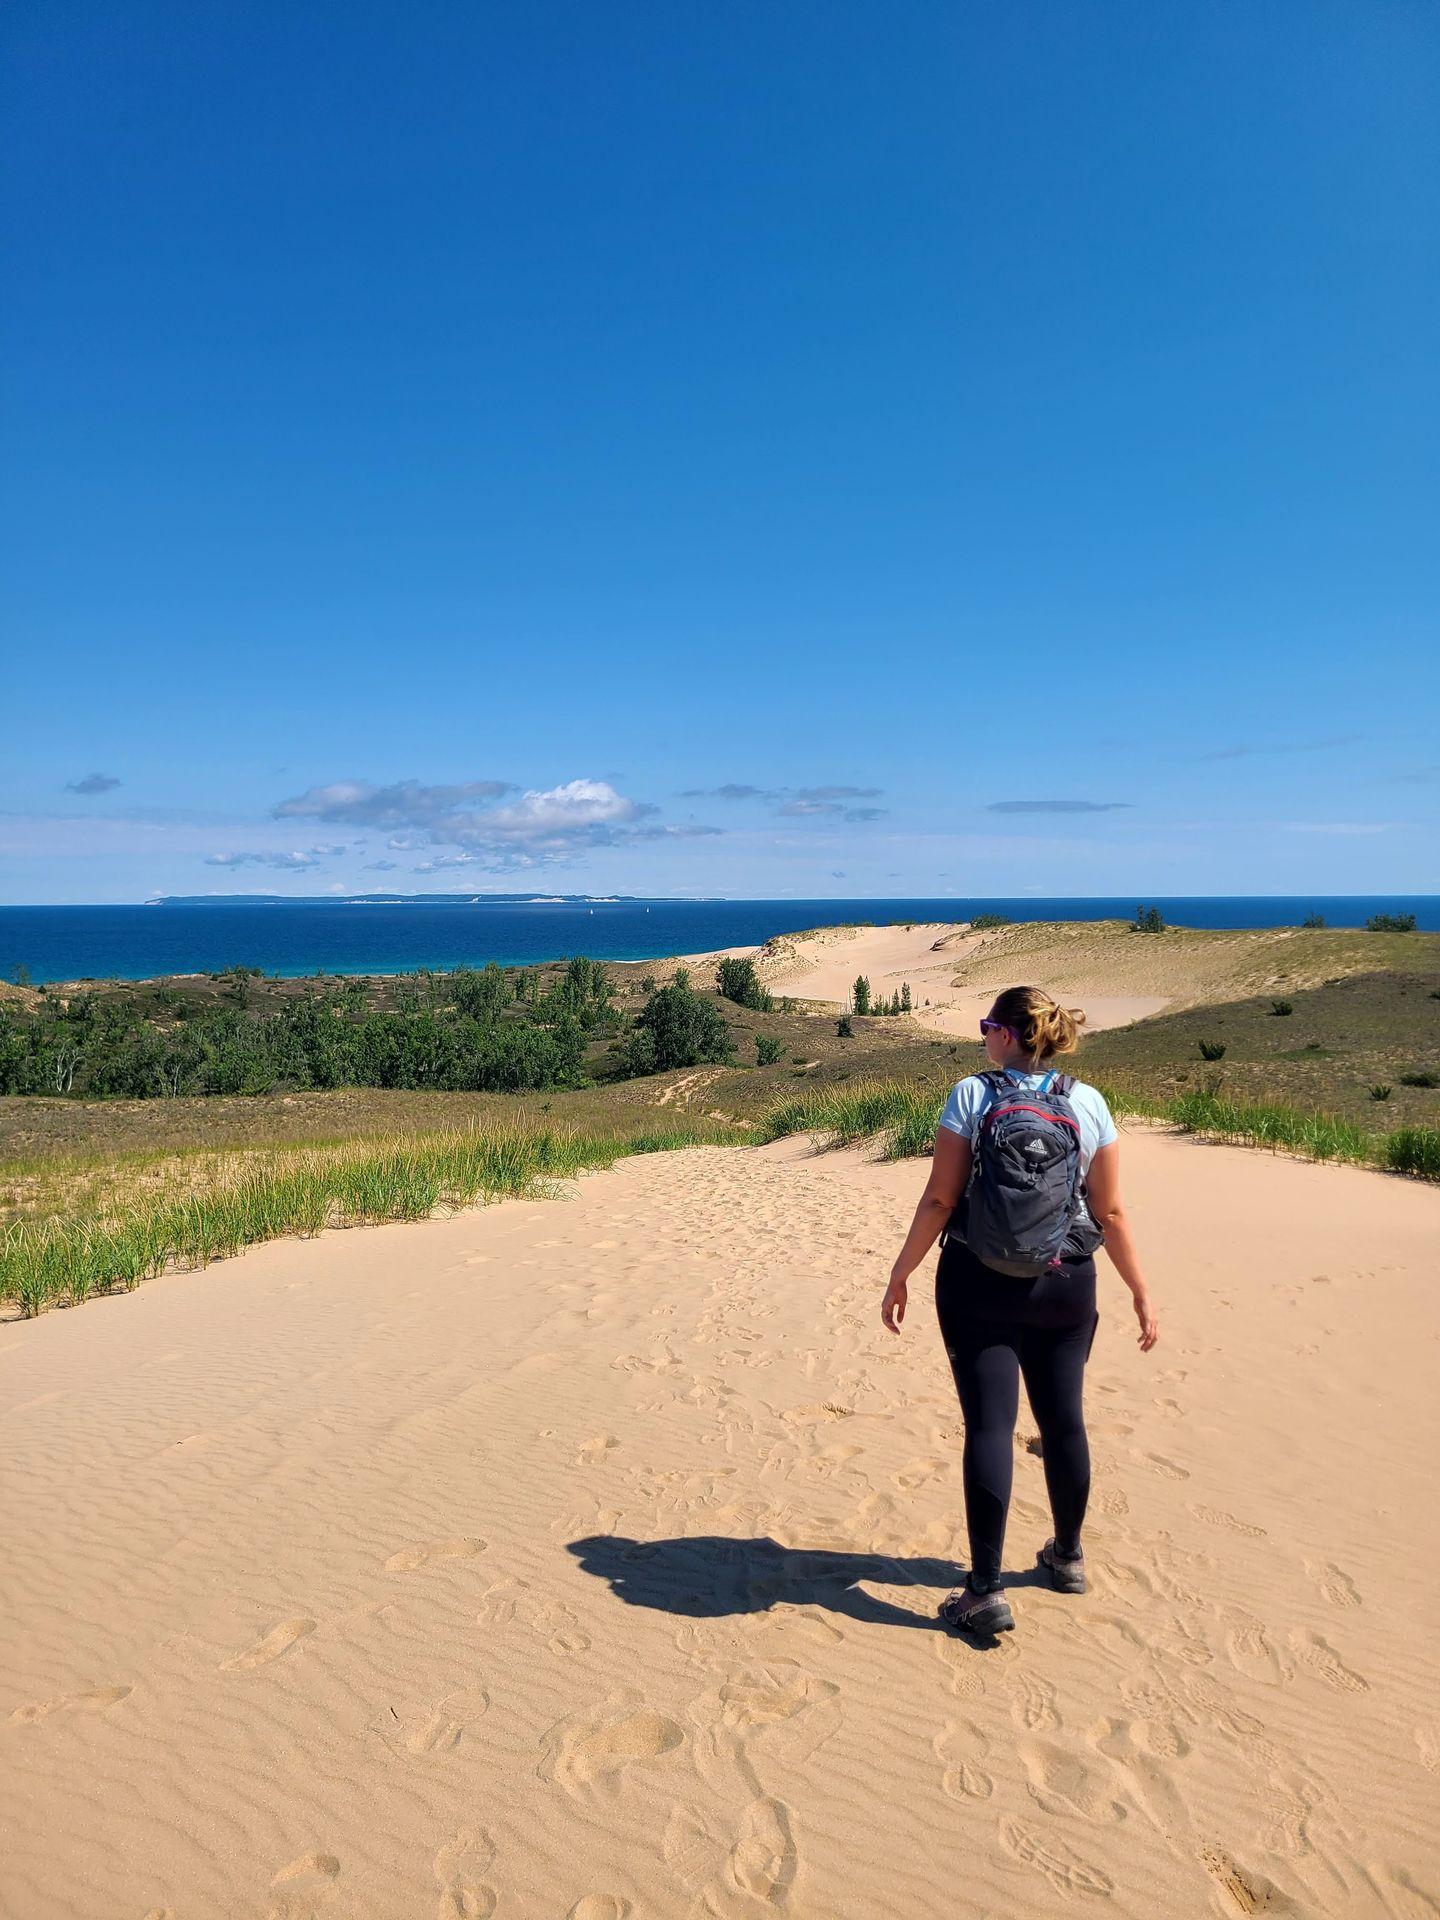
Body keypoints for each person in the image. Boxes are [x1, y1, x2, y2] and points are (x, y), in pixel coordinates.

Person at [881, 985, 1158, 1636]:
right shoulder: (1088, 1102)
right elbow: (1110, 1210)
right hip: (1067, 1283)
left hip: (978, 1282)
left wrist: (901, 1272)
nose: (982, 1037)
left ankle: (984, 1591)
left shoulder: (972, 1095)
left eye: (986, 1026)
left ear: (1006, 1035)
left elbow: (940, 1201)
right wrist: (1141, 1290)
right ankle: (1066, 1558)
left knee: (989, 1427)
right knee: (1064, 1423)